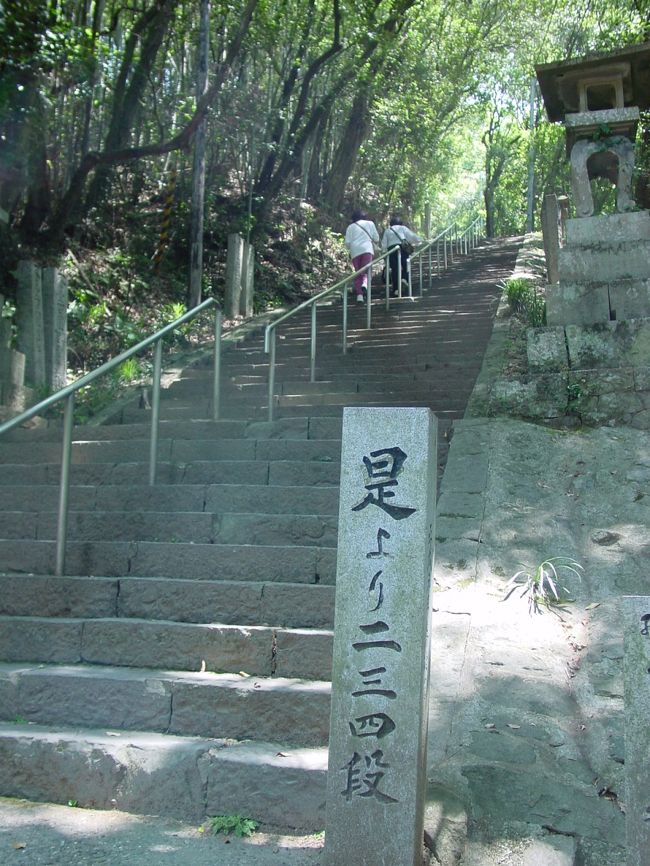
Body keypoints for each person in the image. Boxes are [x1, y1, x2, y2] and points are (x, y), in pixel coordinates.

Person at [381, 215, 423, 297]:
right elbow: (412, 236)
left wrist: (384, 253)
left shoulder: (387, 231)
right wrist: (420, 240)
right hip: (402, 248)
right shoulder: (402, 228)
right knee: (405, 263)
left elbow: (384, 244)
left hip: (391, 250)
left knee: (395, 269)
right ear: (400, 223)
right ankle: (404, 278)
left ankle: (396, 289)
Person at [344, 209, 380, 303]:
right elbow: (376, 238)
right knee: (367, 270)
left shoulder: (350, 227)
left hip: (355, 251)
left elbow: (347, 243)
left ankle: (359, 296)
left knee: (358, 272)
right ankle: (365, 283)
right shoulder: (370, 223)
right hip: (367, 249)